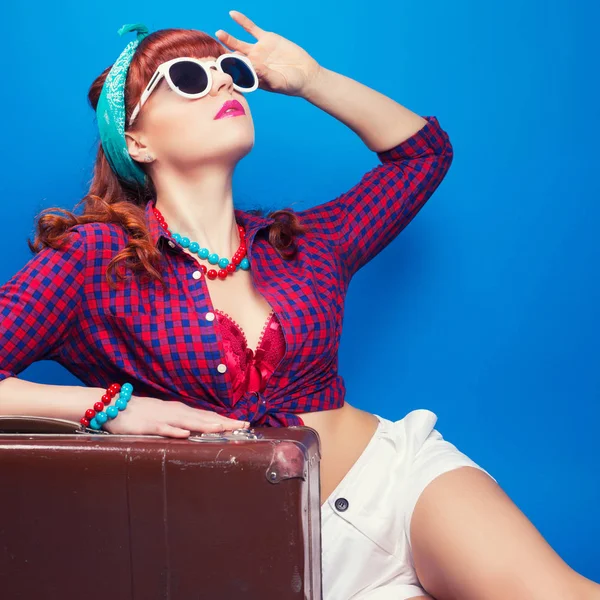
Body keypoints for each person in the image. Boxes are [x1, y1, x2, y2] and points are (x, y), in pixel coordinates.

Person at [0, 11, 598, 600]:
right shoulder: (96, 259)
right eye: (188, 78)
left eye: (230, 69)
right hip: (254, 549)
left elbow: (423, 155)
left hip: (390, 483)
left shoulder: (308, 241)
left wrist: (311, 80)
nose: (224, 83)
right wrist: (109, 408)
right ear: (136, 140)